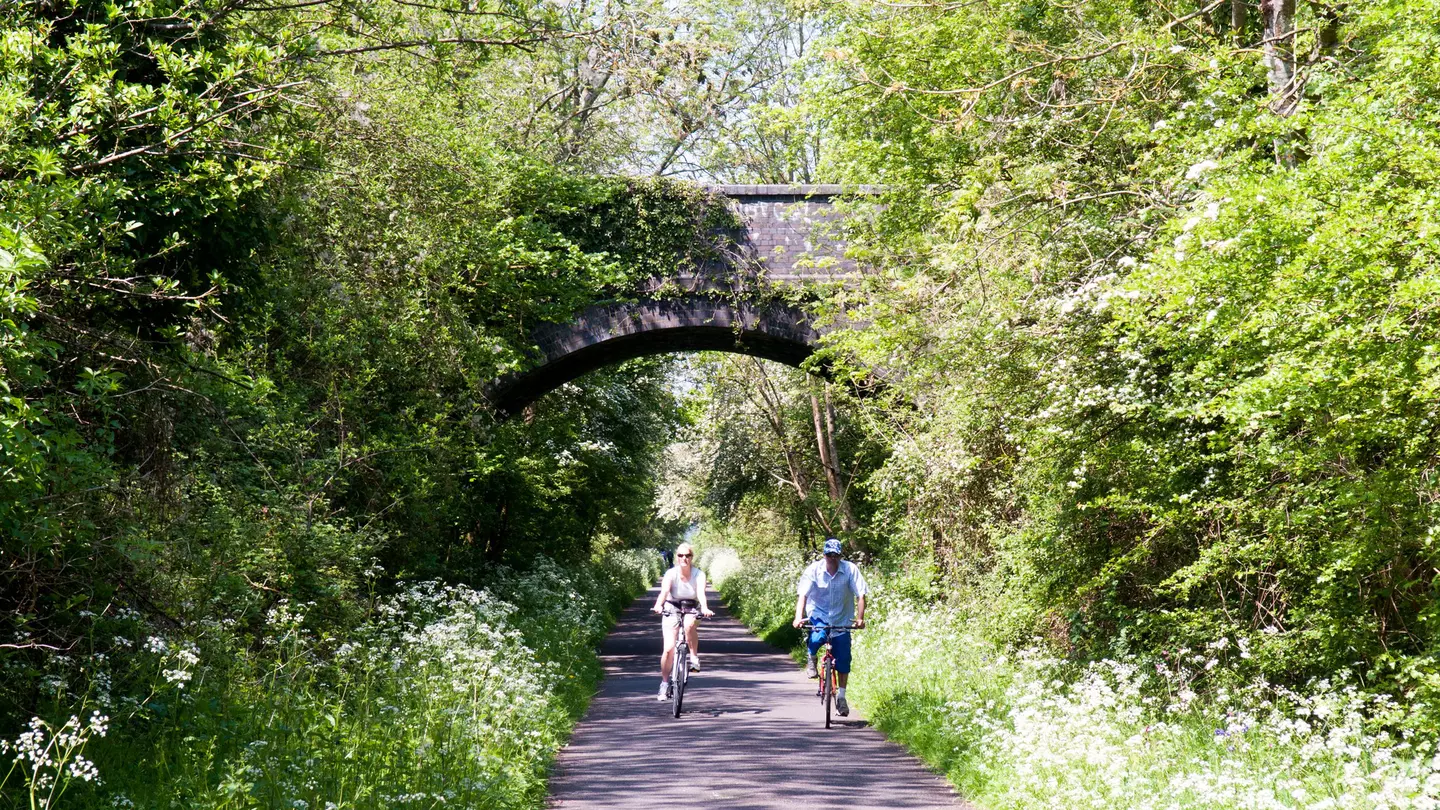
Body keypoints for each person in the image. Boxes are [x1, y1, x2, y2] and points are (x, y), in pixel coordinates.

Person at [792, 537, 868, 717]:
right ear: (824, 555)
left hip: (841, 618)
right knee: (817, 637)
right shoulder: (814, 570)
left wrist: (860, 618)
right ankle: (811, 657)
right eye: (829, 555)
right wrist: (798, 618)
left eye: (835, 555)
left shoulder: (850, 570)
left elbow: (861, 595)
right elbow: (802, 596)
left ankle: (841, 697)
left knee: (844, 659)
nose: (832, 558)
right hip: (819, 614)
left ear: (840, 555)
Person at [651, 542, 714, 701]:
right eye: (680, 555)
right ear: (676, 557)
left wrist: (705, 608)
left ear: (692, 557)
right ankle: (665, 683)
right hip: (672, 606)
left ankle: (693, 658)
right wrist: (658, 605)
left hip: (690, 606)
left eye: (687, 555)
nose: (684, 558)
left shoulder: (699, 574)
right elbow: (664, 591)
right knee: (669, 648)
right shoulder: (671, 573)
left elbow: (700, 593)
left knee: (689, 625)